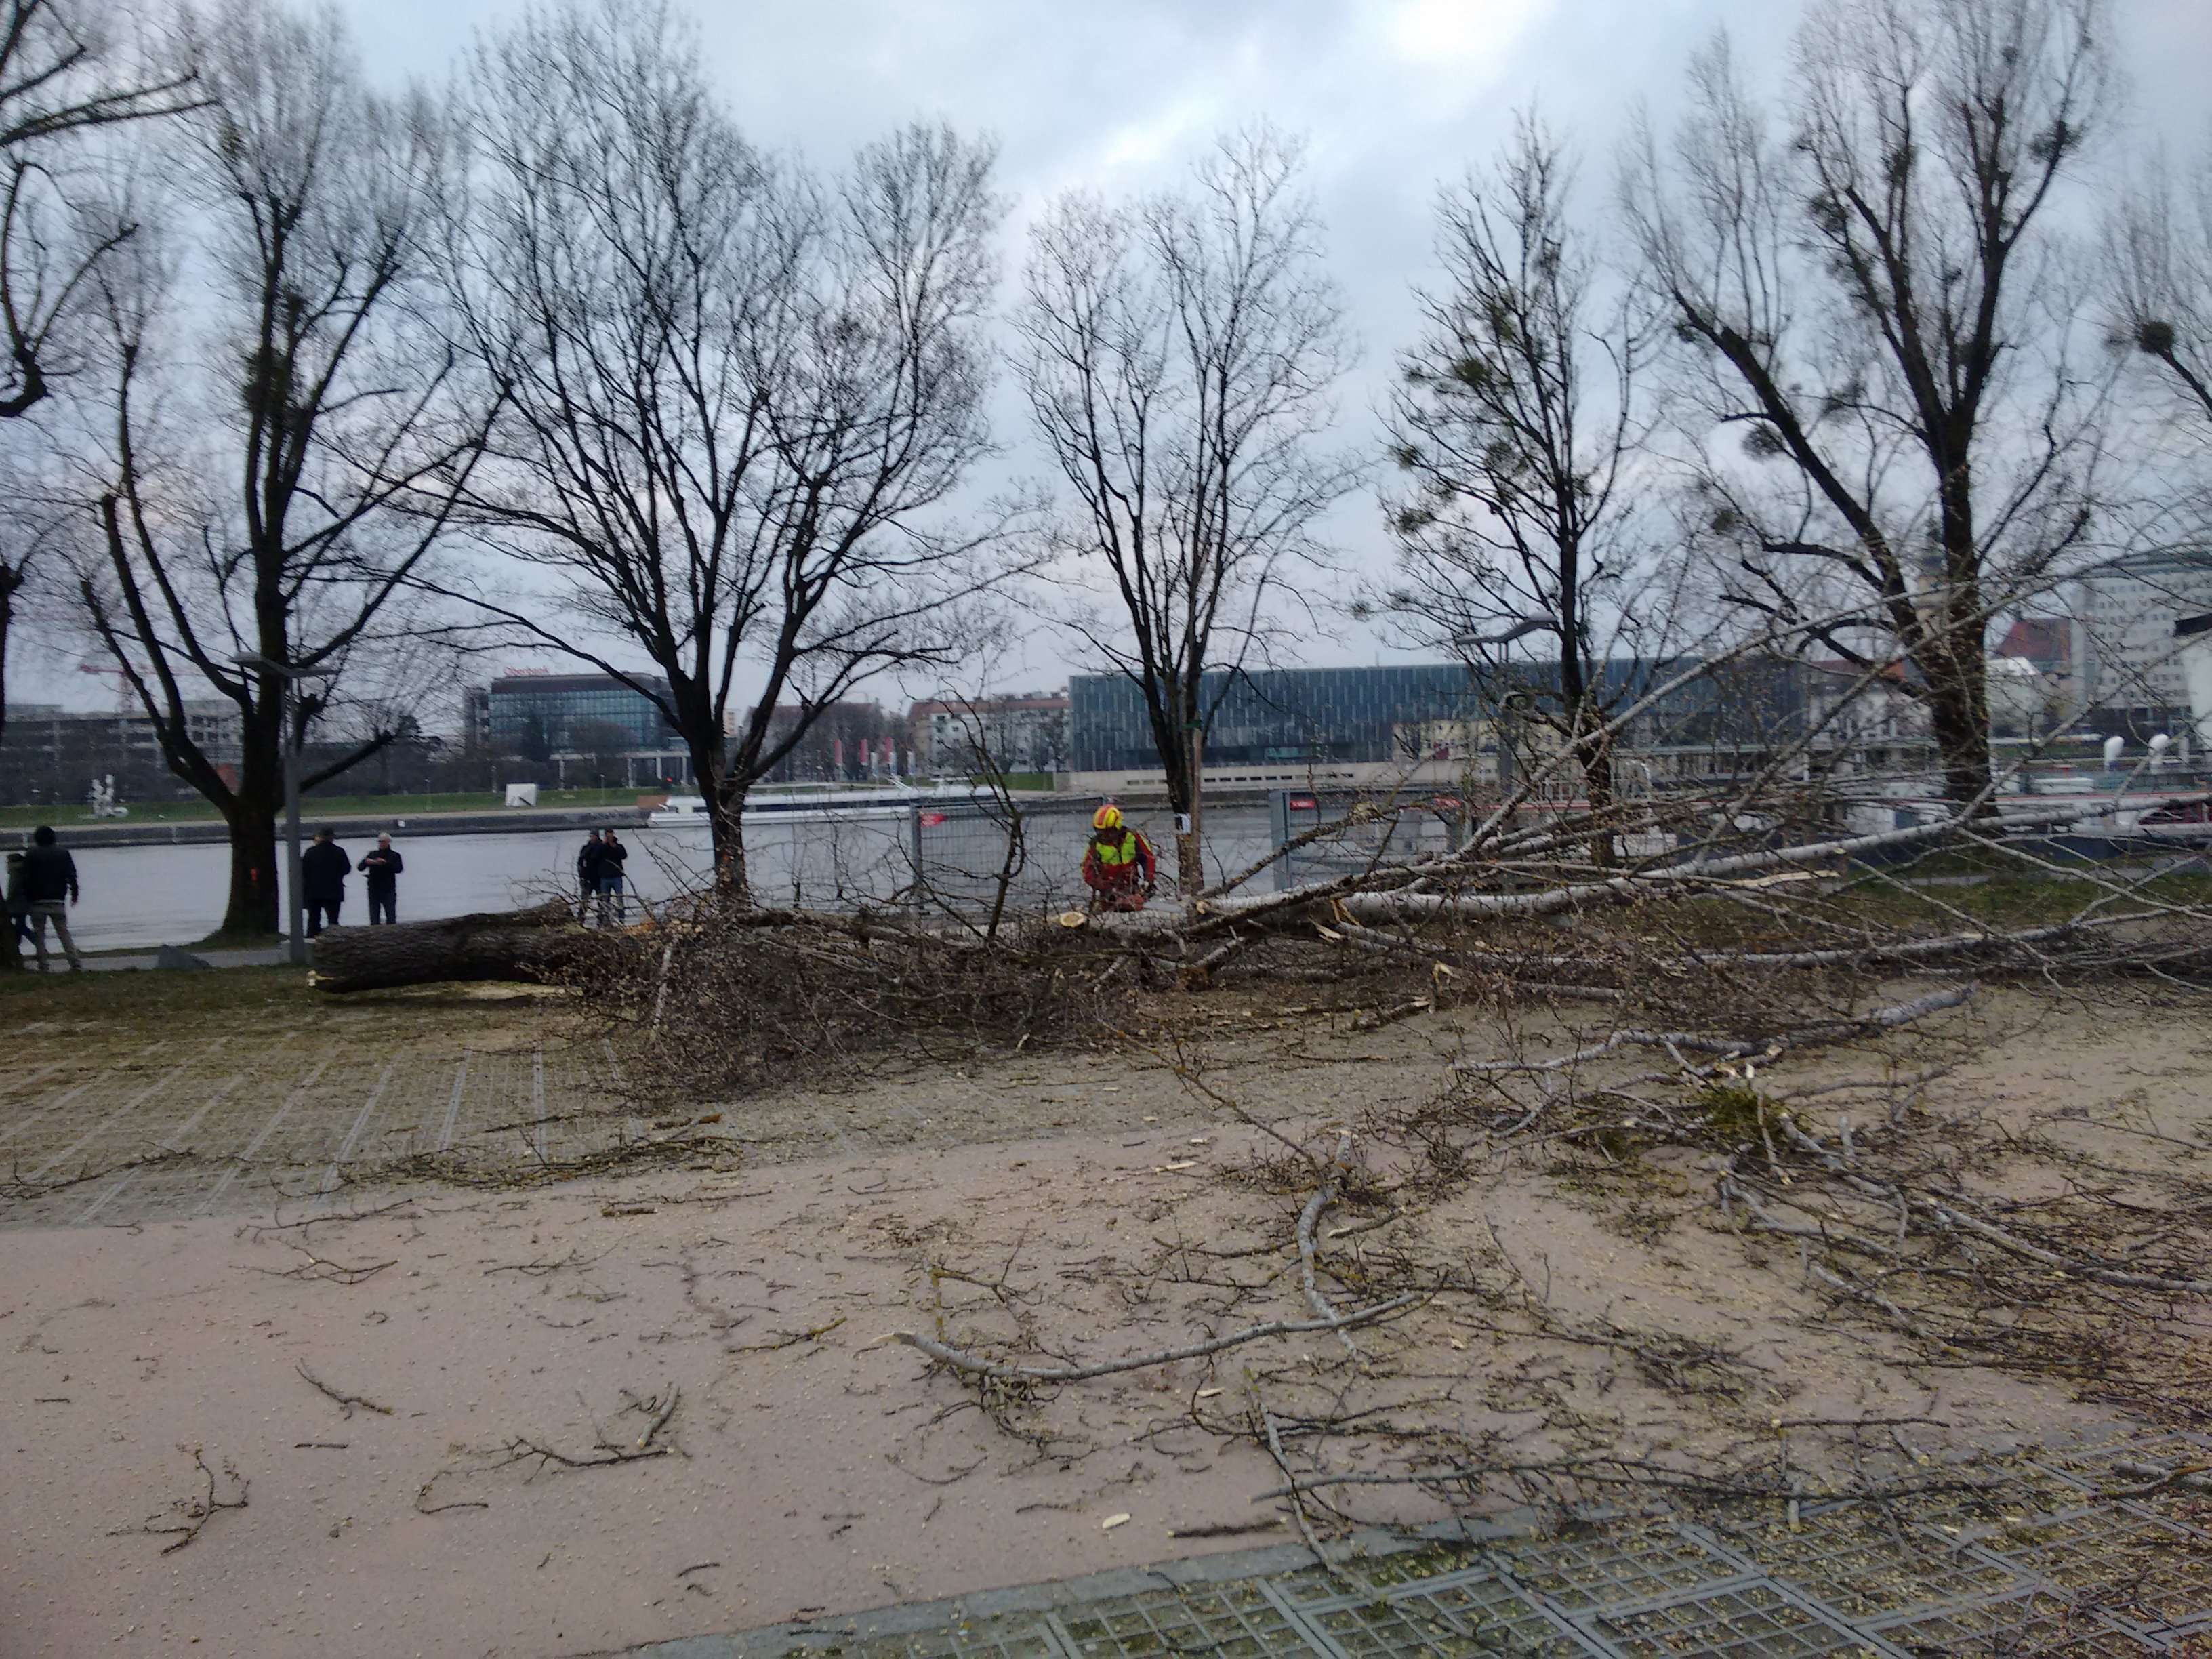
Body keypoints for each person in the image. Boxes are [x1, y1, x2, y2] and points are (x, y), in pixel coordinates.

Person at [21, 825, 83, 971]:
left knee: (39, 935)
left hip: (36, 901)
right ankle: (75, 963)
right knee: (63, 933)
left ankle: (43, 965)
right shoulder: (63, 853)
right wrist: (74, 895)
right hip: (57, 900)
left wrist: (26, 897)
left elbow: (25, 878)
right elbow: (72, 876)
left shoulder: (31, 854)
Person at [1080, 803, 1156, 913]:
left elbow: (1148, 858)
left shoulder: (1132, 838)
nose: (1104, 836)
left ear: (1117, 828)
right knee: (1099, 909)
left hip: (1132, 887)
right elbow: (1087, 873)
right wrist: (1106, 887)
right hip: (1108, 894)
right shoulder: (1095, 846)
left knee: (1137, 903)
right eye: (1100, 832)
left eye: (1108, 832)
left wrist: (1148, 881)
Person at [300, 827, 350, 935]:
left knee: (313, 919)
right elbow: (347, 869)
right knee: (333, 919)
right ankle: (334, 939)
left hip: (313, 890)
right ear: (332, 837)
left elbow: (303, 870)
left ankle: (312, 938)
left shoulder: (310, 852)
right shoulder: (339, 852)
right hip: (333, 889)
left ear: (320, 837)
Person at [356, 833, 404, 926]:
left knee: (391, 916)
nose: (381, 844)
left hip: (388, 889)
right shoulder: (372, 854)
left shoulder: (394, 855)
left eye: (383, 842)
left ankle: (391, 930)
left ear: (388, 842)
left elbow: (399, 869)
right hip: (374, 889)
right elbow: (360, 868)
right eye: (380, 842)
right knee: (374, 916)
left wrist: (385, 863)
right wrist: (366, 862)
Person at [597, 830, 629, 926]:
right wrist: (603, 845)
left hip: (616, 876)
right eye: (609, 836)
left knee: (619, 897)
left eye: (612, 836)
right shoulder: (602, 847)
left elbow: (624, 856)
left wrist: (615, 847)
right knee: (605, 898)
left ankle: (621, 917)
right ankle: (606, 917)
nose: (610, 838)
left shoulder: (619, 846)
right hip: (605, 877)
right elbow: (595, 856)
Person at [575, 830, 605, 920]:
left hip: (599, 878)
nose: (591, 838)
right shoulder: (586, 848)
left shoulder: (602, 847)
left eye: (593, 836)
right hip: (587, 878)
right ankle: (581, 916)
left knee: (601, 899)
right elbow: (580, 862)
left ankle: (602, 915)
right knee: (585, 898)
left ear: (597, 837)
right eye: (591, 836)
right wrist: (581, 875)